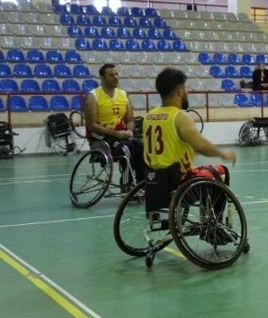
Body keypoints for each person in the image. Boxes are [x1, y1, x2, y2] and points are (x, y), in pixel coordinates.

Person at [142, 69, 237, 232]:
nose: (186, 92)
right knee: (221, 172)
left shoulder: (149, 116)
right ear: (179, 90)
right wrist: (223, 153)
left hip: (154, 184)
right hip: (180, 185)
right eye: (185, 88)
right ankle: (212, 228)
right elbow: (201, 145)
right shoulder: (179, 116)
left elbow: (168, 146)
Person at [83, 63, 145, 187]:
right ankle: (126, 185)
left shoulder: (123, 95)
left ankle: (140, 183)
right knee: (126, 149)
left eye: (116, 74)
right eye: (111, 75)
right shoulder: (93, 96)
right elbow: (92, 126)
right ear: (102, 78)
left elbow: (130, 121)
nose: (116, 77)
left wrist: (129, 131)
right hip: (100, 138)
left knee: (142, 146)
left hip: (120, 136)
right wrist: (117, 134)